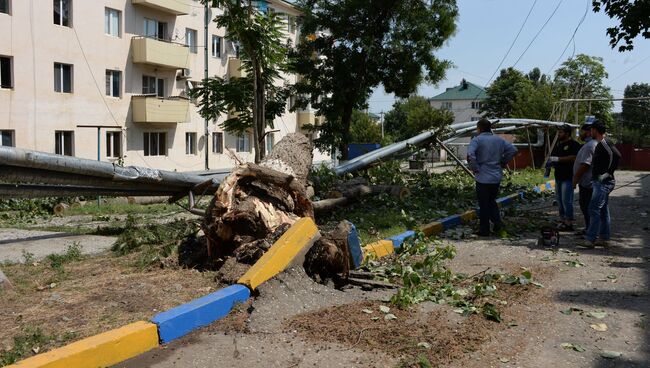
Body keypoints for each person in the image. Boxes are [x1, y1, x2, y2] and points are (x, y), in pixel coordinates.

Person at [467, 118, 517, 236]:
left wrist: (475, 168)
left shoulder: (477, 140)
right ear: (490, 128)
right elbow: (513, 150)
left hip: (482, 176)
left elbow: (470, 155)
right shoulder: (499, 140)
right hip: (496, 176)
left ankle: (485, 230)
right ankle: (498, 224)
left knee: (484, 204)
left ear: (479, 128)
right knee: (491, 201)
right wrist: (504, 161)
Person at [579, 121, 621, 248]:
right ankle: (604, 238)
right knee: (602, 209)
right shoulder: (599, 144)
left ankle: (590, 239)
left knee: (593, 208)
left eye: (591, 130)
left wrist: (608, 173)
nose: (589, 132)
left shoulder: (604, 142)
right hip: (599, 181)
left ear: (595, 130)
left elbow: (617, 155)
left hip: (604, 182)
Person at [548, 125, 581, 231]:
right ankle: (562, 220)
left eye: (561, 132)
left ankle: (569, 222)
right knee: (559, 200)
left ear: (567, 133)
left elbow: (574, 157)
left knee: (567, 201)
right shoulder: (558, 145)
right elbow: (554, 158)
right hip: (558, 176)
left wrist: (558, 159)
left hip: (568, 177)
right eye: (558, 132)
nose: (559, 134)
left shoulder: (574, 145)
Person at [572, 124, 598, 235]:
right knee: (586, 207)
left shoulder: (589, 146)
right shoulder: (589, 144)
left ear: (588, 132)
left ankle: (592, 232)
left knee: (588, 208)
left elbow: (585, 165)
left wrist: (575, 179)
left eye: (582, 132)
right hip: (587, 182)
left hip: (588, 183)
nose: (580, 134)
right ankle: (589, 229)